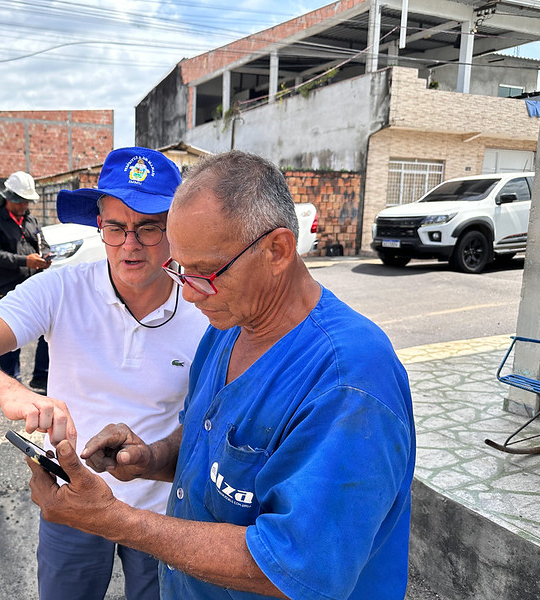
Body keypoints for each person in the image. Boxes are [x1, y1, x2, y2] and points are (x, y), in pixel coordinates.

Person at [25, 150, 416, 600]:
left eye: (207, 273)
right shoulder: (228, 329)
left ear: (278, 250)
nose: (189, 294)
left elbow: (294, 568)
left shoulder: (349, 382)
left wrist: (113, 520)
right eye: (181, 270)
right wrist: (149, 458)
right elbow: (210, 442)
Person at [0, 147, 209, 600]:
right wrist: (14, 393)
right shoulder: (62, 288)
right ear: (100, 226)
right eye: (116, 227)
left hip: (163, 510)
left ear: (175, 230)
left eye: (149, 228)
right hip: (72, 498)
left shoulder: (204, 308)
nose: (130, 244)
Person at [0, 171, 50, 392]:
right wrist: (25, 261)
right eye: (19, 201)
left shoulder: (31, 220)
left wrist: (46, 257)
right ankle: (9, 382)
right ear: (7, 197)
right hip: (7, 287)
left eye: (27, 201)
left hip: (34, 287)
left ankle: (41, 376)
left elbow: (44, 244)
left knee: (47, 333)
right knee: (10, 340)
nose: (23, 206)